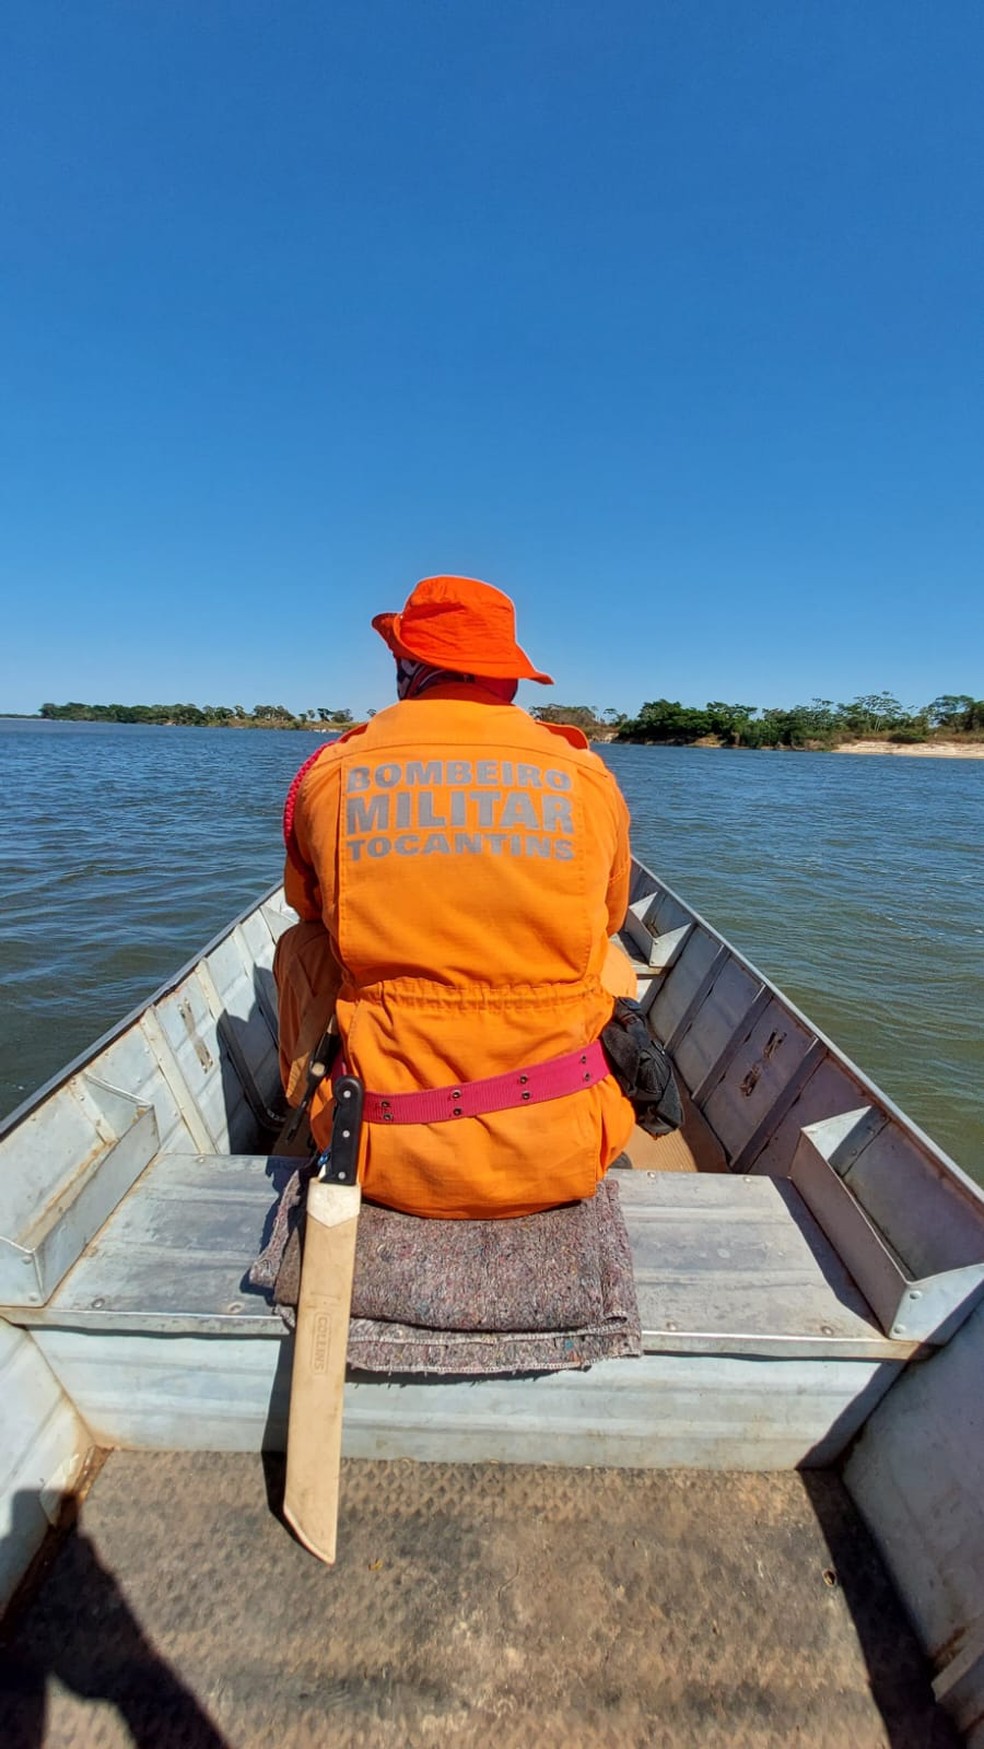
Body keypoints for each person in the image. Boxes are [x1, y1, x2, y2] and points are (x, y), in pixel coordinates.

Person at [274, 574, 638, 1219]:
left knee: (300, 946)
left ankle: (307, 1107)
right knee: (611, 958)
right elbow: (610, 917)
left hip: (371, 1144)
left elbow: (307, 907)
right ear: (507, 676)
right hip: (572, 1143)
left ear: (408, 665)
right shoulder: (585, 774)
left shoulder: (330, 771)